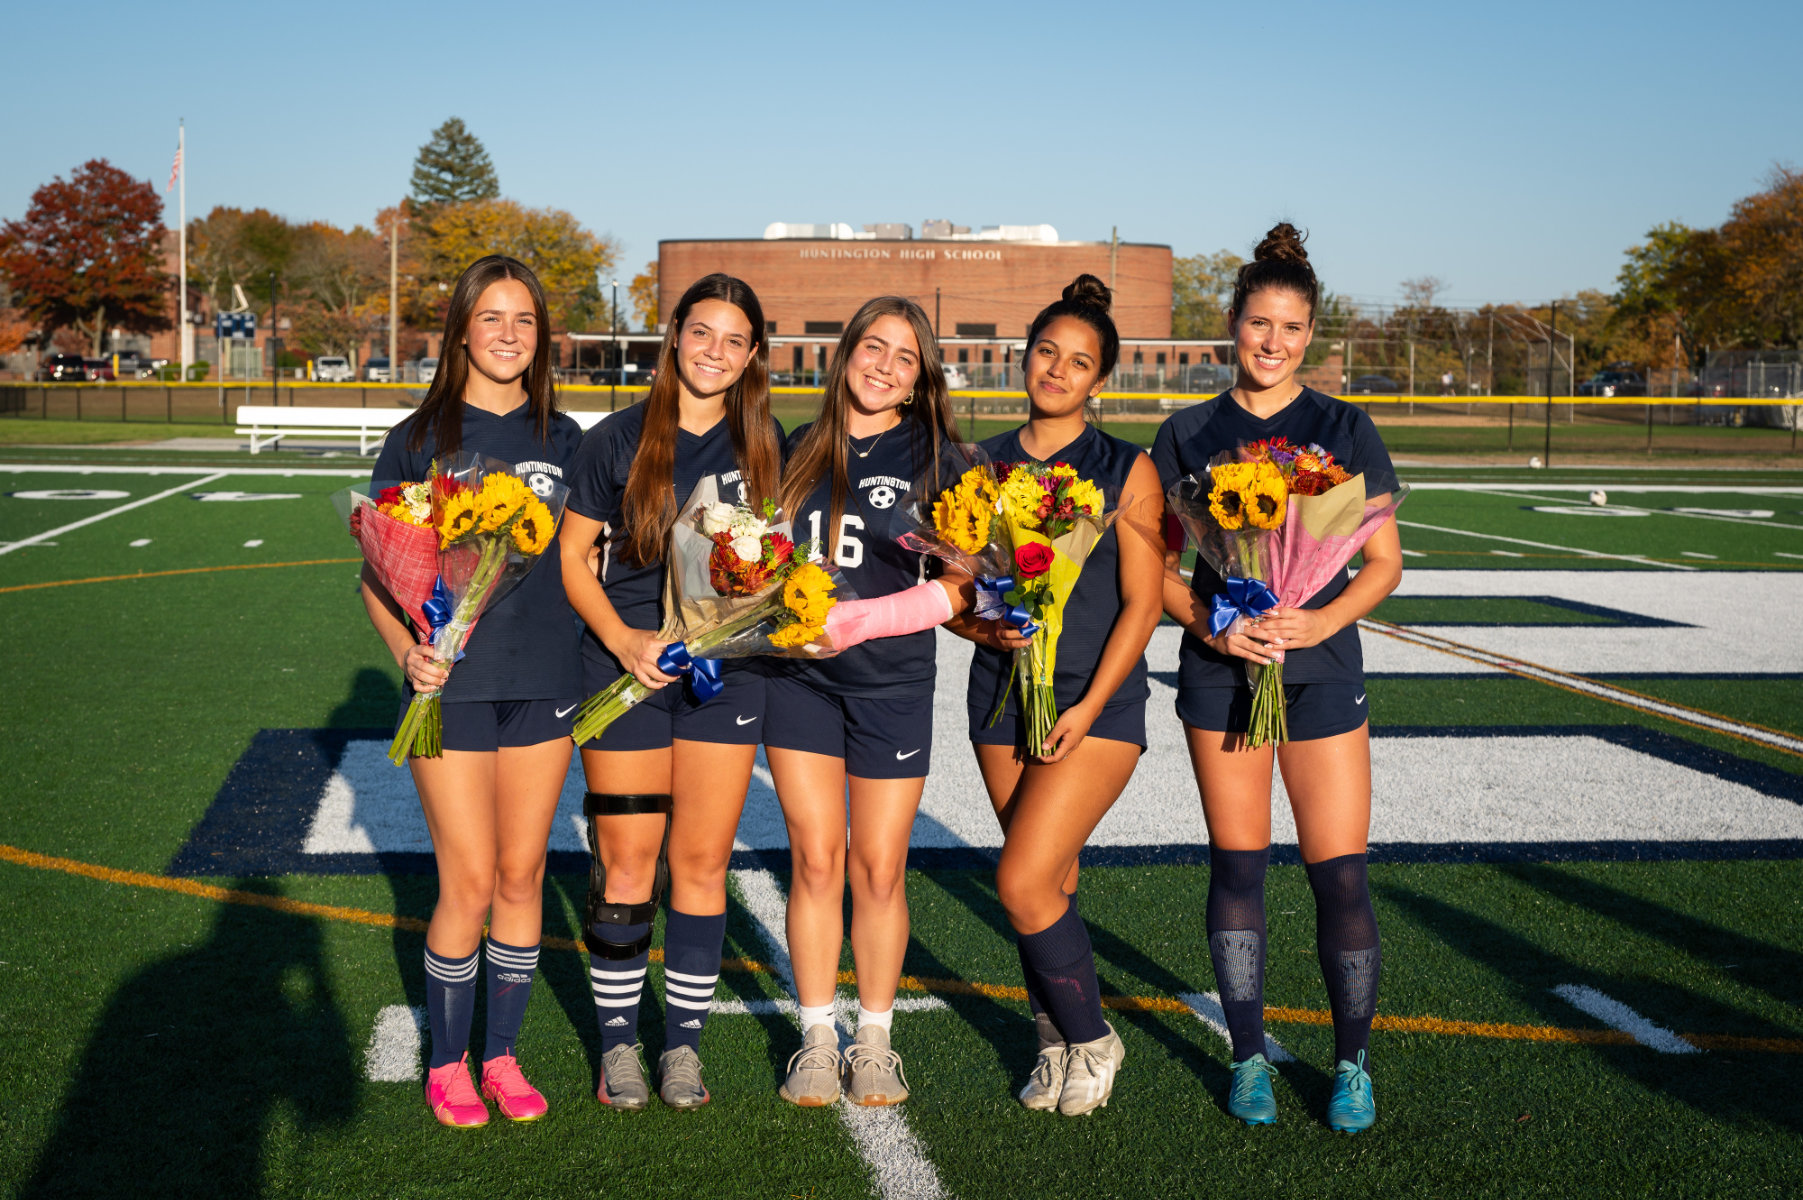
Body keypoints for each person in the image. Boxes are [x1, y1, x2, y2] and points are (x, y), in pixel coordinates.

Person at [1150, 222, 1403, 1133]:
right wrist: (1215, 627)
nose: (1272, 343)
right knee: (1239, 866)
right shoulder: (1185, 433)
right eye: (1259, 323)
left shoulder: (1342, 427)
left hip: (1321, 668)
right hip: (1222, 674)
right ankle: (1248, 1056)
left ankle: (1352, 1065)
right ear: (1232, 323)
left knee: (1338, 874)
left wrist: (1318, 618)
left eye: (1290, 329)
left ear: (1310, 337)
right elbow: (1156, 572)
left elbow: (1382, 563)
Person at [362, 255, 584, 1128]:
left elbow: (586, 558)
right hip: (452, 688)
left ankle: (501, 1054)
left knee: (524, 874)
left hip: (545, 681)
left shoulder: (565, 439)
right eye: (490, 318)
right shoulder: (419, 438)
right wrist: (409, 655)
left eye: (523, 320)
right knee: (468, 879)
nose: (507, 335)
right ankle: (448, 1063)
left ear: (540, 338)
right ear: (459, 331)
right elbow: (377, 578)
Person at [557, 274, 785, 1111]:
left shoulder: (766, 446)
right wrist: (623, 641)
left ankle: (681, 1048)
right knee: (626, 864)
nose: (714, 352)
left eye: (733, 340)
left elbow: (779, 568)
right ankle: (618, 1046)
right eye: (701, 333)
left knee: (699, 863)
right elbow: (570, 557)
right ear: (674, 336)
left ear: (752, 355)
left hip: (726, 678)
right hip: (628, 675)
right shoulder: (616, 439)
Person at [946, 275, 1165, 1116]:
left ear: (1097, 379)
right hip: (1001, 700)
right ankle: (1052, 1047)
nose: (1057, 371)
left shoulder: (1126, 468)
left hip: (1095, 707)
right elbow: (954, 598)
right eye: (1046, 353)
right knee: (1050, 880)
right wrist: (982, 634)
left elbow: (1144, 603)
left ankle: (1092, 1038)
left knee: (1021, 880)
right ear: (1023, 357)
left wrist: (1085, 705)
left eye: (1078, 362)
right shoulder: (979, 464)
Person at [763, 297, 974, 1107]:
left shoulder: (938, 455)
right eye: (872, 348)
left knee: (878, 868)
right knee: (814, 861)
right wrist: (778, 616)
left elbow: (963, 589)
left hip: (890, 683)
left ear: (921, 378)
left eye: (904, 358)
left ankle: (875, 1039)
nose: (883, 366)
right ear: (843, 351)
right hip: (800, 682)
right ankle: (817, 1035)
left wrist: (865, 621)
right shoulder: (790, 449)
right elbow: (754, 561)